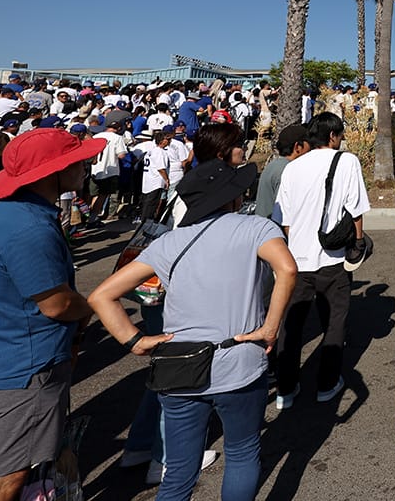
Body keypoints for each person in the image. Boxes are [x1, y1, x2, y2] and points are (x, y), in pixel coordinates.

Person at [89, 158, 297, 501]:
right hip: (239, 359)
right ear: (231, 197)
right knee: (243, 453)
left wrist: (137, 341)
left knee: (179, 474)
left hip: (178, 365)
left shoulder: (169, 242)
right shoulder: (256, 229)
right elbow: (287, 269)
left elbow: (101, 295)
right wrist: (270, 328)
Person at [0, 129, 104, 501]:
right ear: (51, 173)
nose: (85, 166)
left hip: (10, 353)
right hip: (25, 366)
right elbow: (55, 304)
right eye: (77, 161)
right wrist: (92, 305)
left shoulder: (10, 214)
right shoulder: (28, 228)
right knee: (10, 475)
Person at [273, 112, 370, 409]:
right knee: (335, 322)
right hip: (332, 257)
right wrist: (357, 243)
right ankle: (327, 383)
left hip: (296, 259)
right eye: (339, 135)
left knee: (291, 325)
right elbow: (355, 210)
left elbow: (284, 219)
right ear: (332, 136)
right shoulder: (347, 161)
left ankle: (285, 388)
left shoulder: (292, 167)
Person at [255, 124, 310, 220]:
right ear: (298, 147)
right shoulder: (287, 170)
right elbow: (283, 212)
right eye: (310, 144)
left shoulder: (276, 165)